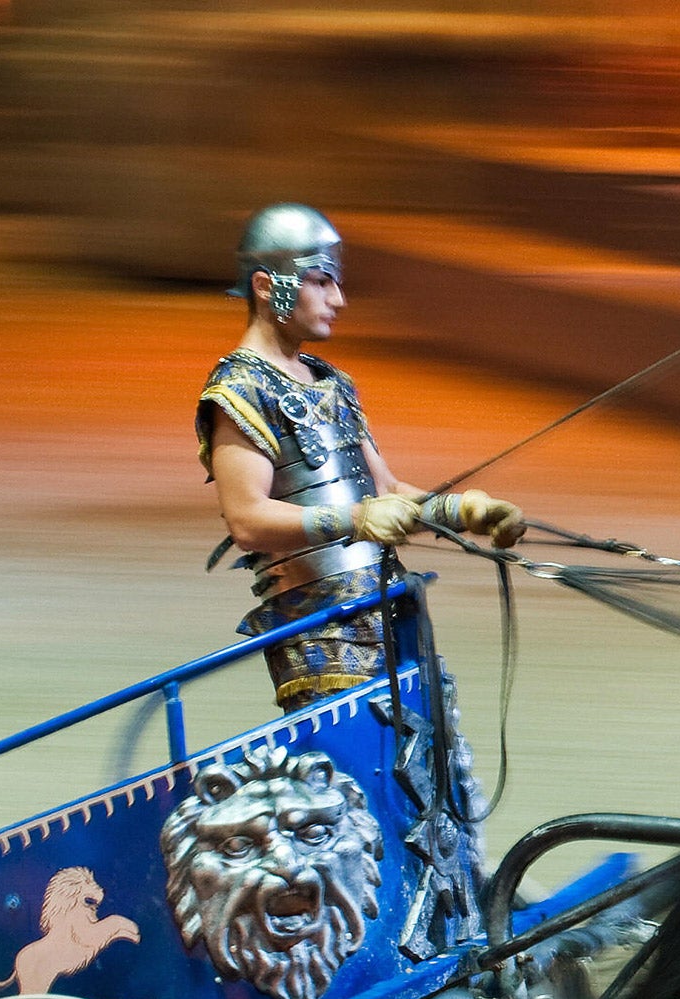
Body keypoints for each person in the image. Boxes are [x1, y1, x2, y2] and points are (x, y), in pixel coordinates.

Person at [195, 202, 526, 710]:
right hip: (323, 645)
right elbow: (247, 519)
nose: (339, 298)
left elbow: (385, 493)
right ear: (266, 286)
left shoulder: (332, 382)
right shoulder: (240, 390)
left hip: (388, 612)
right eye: (320, 281)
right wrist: (355, 518)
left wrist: (460, 512)